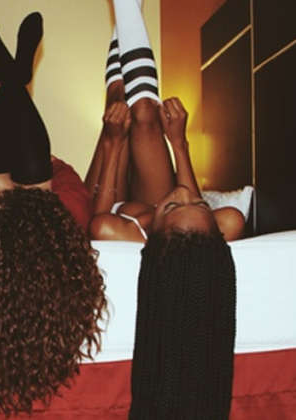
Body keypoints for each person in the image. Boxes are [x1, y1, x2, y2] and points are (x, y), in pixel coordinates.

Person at [0, 10, 107, 416]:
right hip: (34, 192)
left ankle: (9, 69)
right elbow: (70, 181)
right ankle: (12, 70)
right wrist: (48, 166)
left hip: (6, 193)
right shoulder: (62, 220)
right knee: (36, 174)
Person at [86, 1, 237, 418]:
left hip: (110, 190)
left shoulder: (117, 231)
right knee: (145, 115)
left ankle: (125, 13)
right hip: (153, 198)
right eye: (198, 202)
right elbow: (193, 201)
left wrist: (113, 142)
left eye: (174, 204)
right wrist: (179, 143)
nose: (185, 193)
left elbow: (97, 217)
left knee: (118, 103)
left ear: (154, 236)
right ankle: (127, 7)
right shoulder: (224, 223)